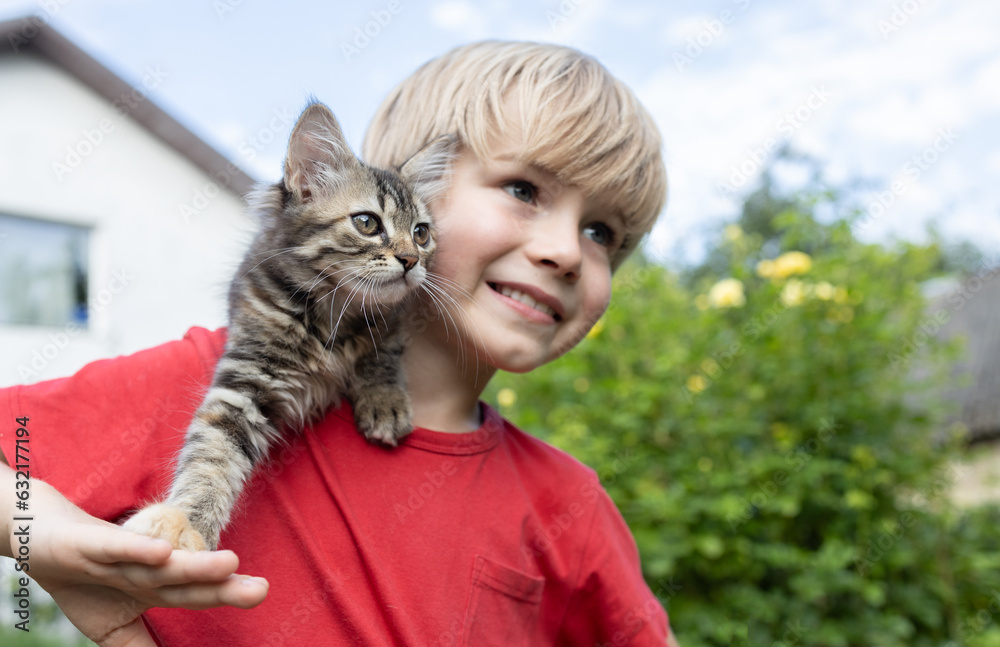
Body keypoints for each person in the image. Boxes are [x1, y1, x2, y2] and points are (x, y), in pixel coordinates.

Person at [0, 40, 676, 646]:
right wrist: (45, 534)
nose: (565, 250)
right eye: (523, 189)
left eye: (602, 233)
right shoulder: (196, 378)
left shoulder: (570, 504)